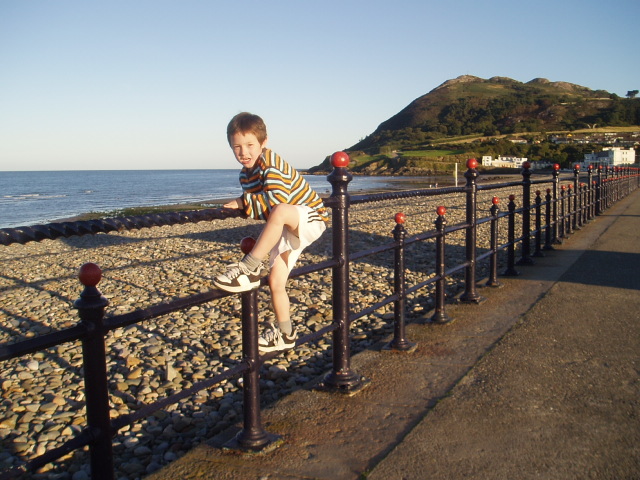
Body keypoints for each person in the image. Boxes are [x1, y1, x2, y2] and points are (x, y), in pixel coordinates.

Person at [214, 112, 328, 353]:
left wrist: (244, 202)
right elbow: (265, 209)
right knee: (276, 282)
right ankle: (286, 333)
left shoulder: (271, 162)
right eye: (237, 147)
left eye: (249, 145)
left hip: (310, 216)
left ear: (263, 143)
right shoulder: (245, 175)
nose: (243, 152)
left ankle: (249, 267)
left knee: (279, 211)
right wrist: (247, 203)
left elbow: (277, 202)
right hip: (288, 226)